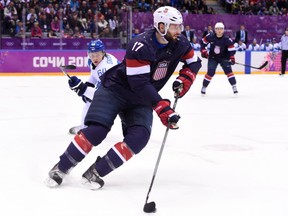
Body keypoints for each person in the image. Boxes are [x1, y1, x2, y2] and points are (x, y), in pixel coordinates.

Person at [45, 6, 201, 189]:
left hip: (141, 99)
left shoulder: (180, 42)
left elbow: (194, 62)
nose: (179, 31)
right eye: (174, 27)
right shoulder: (140, 45)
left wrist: (185, 79)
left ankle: (96, 172)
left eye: (179, 26)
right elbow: (139, 83)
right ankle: (61, 168)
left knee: (139, 138)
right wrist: (163, 108)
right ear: (161, 26)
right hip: (115, 90)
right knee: (97, 131)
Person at [68, 39, 120, 135]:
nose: (94, 58)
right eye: (92, 55)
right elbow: (94, 74)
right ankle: (86, 126)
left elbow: (105, 96)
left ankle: (88, 127)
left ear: (103, 53)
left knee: (93, 101)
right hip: (111, 86)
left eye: (97, 55)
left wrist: (83, 89)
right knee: (89, 102)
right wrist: (88, 84)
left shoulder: (107, 68)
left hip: (120, 91)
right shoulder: (92, 61)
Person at [200, 22, 237, 95]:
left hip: (224, 58)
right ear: (215, 30)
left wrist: (232, 57)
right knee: (210, 72)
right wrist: (203, 51)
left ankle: (234, 86)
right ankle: (204, 87)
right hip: (213, 58)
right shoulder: (210, 36)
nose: (219, 30)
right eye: (217, 29)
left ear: (223, 30)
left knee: (228, 71)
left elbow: (231, 49)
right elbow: (203, 43)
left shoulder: (227, 39)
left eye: (221, 29)